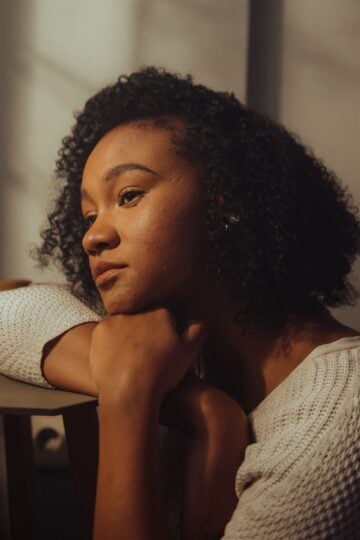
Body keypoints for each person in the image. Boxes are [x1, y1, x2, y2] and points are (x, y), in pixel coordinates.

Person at [0, 66, 359, 539]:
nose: (93, 236)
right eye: (89, 215)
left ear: (227, 201)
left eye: (128, 196)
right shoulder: (188, 357)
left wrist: (130, 395)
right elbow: (9, 313)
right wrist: (204, 409)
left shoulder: (338, 420)